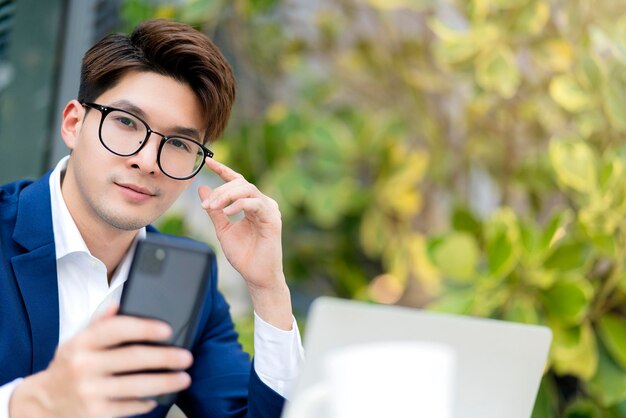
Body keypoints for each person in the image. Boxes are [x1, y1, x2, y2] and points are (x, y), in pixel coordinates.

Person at [0, 19, 304, 418]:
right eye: (126, 122)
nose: (146, 161)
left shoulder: (184, 280)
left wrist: (268, 289)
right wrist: (29, 404)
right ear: (74, 124)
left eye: (178, 143)